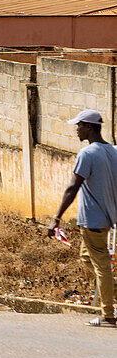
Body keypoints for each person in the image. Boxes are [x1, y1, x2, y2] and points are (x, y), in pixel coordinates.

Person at [46, 109, 117, 327]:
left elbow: (72, 188)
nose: (77, 130)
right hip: (106, 218)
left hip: (92, 220)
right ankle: (110, 297)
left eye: (79, 126)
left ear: (88, 127)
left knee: (102, 266)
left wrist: (56, 218)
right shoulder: (113, 151)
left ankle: (108, 315)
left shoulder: (87, 154)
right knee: (89, 259)